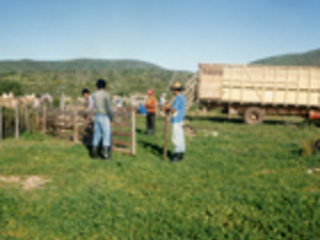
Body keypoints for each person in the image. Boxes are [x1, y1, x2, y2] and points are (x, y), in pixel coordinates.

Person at [163, 82, 186, 162]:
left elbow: (174, 110)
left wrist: (167, 107)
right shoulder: (183, 97)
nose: (173, 91)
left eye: (173, 90)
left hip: (176, 120)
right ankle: (181, 154)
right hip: (181, 119)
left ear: (176, 90)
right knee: (181, 137)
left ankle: (176, 155)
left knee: (176, 137)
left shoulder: (178, 98)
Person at [91, 79, 113, 160]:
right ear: (104, 86)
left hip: (96, 115)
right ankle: (105, 154)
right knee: (106, 134)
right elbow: (108, 108)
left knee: (96, 134)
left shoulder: (94, 94)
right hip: (104, 115)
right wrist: (111, 118)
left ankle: (94, 154)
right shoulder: (106, 95)